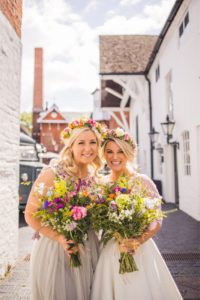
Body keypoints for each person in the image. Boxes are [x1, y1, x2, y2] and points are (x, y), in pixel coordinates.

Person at [91, 128, 183, 300]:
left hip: (139, 249)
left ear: (129, 153)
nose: (114, 157)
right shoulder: (101, 185)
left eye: (120, 151)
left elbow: (156, 219)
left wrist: (137, 240)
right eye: (109, 151)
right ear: (103, 154)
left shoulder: (142, 181)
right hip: (110, 249)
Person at [25, 118, 102, 300]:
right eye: (81, 142)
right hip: (56, 250)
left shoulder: (95, 178)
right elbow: (30, 214)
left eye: (93, 142)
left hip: (88, 247)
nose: (88, 148)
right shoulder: (53, 174)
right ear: (71, 146)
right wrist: (61, 238)